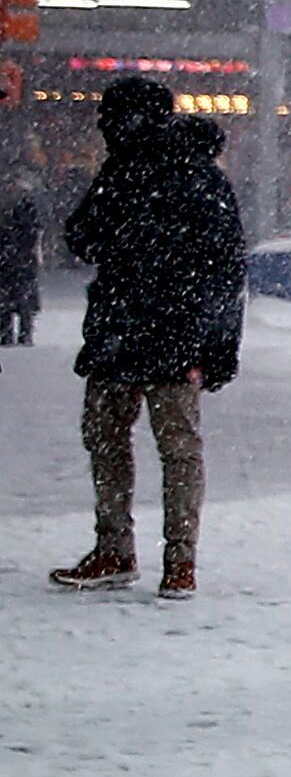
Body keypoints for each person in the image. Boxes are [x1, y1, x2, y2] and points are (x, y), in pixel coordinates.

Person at [53, 75, 241, 597]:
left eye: (109, 119)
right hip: (176, 334)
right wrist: (221, 345)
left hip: (123, 328)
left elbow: (82, 237)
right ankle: (180, 563)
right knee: (178, 450)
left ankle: (115, 548)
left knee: (107, 440)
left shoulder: (124, 172)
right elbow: (228, 271)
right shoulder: (203, 177)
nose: (104, 129)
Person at [0, 120, 40, 347]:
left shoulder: (9, 201)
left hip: (8, 254)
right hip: (20, 255)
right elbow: (32, 228)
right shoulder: (25, 199)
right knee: (21, 294)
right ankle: (24, 331)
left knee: (6, 297)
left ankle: (7, 332)